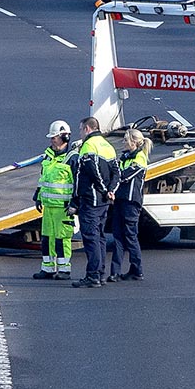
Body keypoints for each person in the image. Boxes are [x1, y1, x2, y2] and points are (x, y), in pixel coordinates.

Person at [68, 116, 118, 288]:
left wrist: (104, 189)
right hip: (103, 201)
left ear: (87, 129)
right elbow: (116, 172)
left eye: (81, 130)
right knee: (100, 237)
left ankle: (93, 275)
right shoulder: (108, 146)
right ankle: (101, 274)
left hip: (91, 200)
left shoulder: (88, 146)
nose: (80, 133)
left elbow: (90, 172)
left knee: (91, 238)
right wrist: (111, 190)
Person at [32, 120, 75, 280]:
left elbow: (76, 183)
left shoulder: (71, 158)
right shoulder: (48, 156)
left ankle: (64, 269)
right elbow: (44, 178)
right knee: (47, 238)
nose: (52, 140)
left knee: (61, 239)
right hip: (49, 206)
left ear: (64, 138)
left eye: (54, 137)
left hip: (63, 207)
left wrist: (75, 203)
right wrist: (38, 195)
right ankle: (48, 268)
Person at [108, 128, 151, 282]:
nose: (123, 143)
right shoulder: (125, 157)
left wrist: (114, 172)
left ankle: (137, 270)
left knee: (130, 236)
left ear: (134, 142)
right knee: (118, 236)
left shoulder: (140, 158)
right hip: (120, 200)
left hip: (131, 203)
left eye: (126, 140)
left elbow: (124, 176)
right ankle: (115, 272)